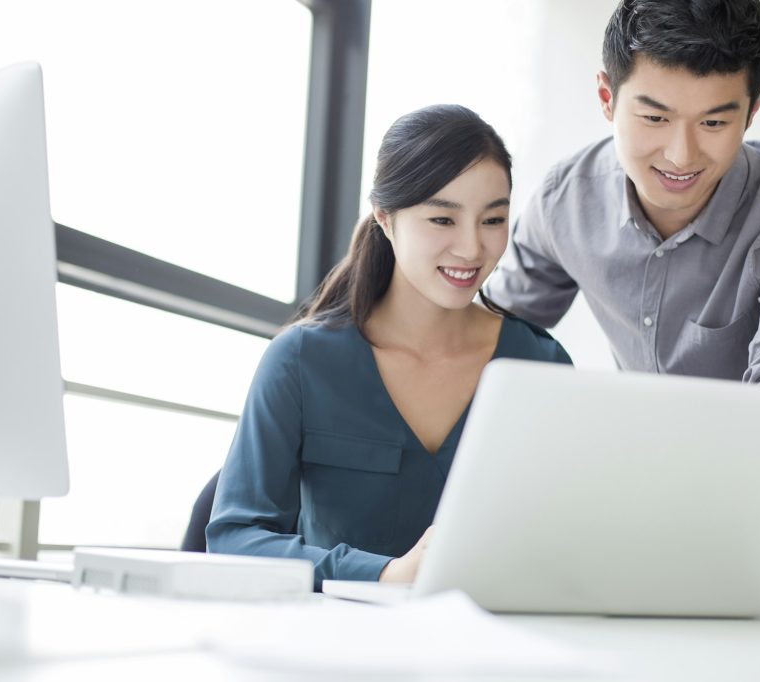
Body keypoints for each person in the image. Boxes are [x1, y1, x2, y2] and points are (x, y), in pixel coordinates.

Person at [483, 0, 760, 621]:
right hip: (652, 494)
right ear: (606, 97)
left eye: (714, 122)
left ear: (752, 110)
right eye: (654, 116)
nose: (680, 154)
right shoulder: (567, 201)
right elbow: (490, 334)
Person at [206, 104, 571, 589]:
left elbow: (569, 539)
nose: (471, 248)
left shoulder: (541, 366)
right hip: (336, 655)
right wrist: (382, 573)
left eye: (493, 219)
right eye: (442, 219)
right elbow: (235, 538)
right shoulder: (299, 361)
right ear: (385, 216)